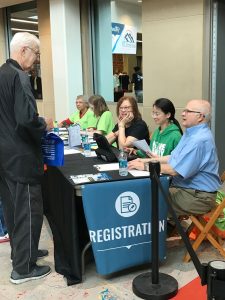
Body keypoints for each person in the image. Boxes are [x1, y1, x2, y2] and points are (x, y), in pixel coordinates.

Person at [0, 32, 53, 284]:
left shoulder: (1, 74)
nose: (37, 60)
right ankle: (24, 268)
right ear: (23, 51)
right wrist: (45, 125)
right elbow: (26, 119)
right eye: (37, 54)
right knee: (29, 210)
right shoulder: (20, 77)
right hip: (21, 157)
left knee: (13, 211)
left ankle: (23, 253)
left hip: (5, 156)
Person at [129, 99, 221, 216]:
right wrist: (146, 160)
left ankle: (158, 233)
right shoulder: (191, 133)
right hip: (188, 190)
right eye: (184, 110)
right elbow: (173, 157)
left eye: (188, 111)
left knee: (146, 200)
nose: (183, 113)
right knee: (147, 193)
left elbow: (174, 170)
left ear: (200, 117)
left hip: (198, 197)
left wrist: (144, 166)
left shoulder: (198, 140)